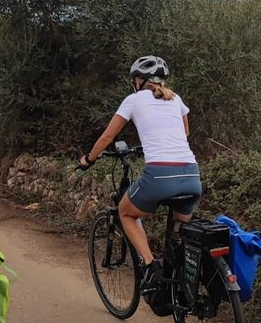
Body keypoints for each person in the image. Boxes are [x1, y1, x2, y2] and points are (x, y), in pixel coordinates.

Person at [79, 55, 201, 291]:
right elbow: (184, 133)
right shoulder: (176, 98)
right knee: (179, 236)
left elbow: (107, 137)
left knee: (126, 214)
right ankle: (181, 289)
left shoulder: (133, 100)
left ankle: (149, 265)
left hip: (160, 176)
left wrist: (88, 160)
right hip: (192, 176)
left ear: (139, 80)